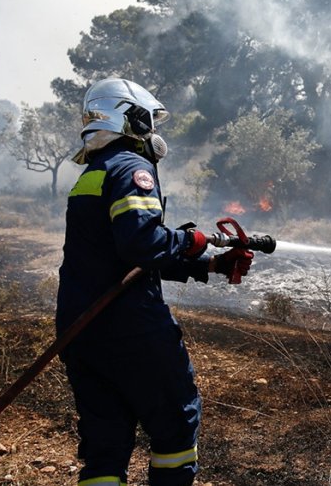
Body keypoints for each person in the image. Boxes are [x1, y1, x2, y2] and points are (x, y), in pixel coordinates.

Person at [56, 78, 254, 486]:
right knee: (175, 429)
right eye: (149, 120)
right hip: (131, 328)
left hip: (82, 331)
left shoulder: (93, 173)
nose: (154, 132)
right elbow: (143, 245)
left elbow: (124, 258)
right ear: (131, 118)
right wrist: (191, 239)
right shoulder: (132, 167)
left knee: (105, 446)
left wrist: (211, 265)